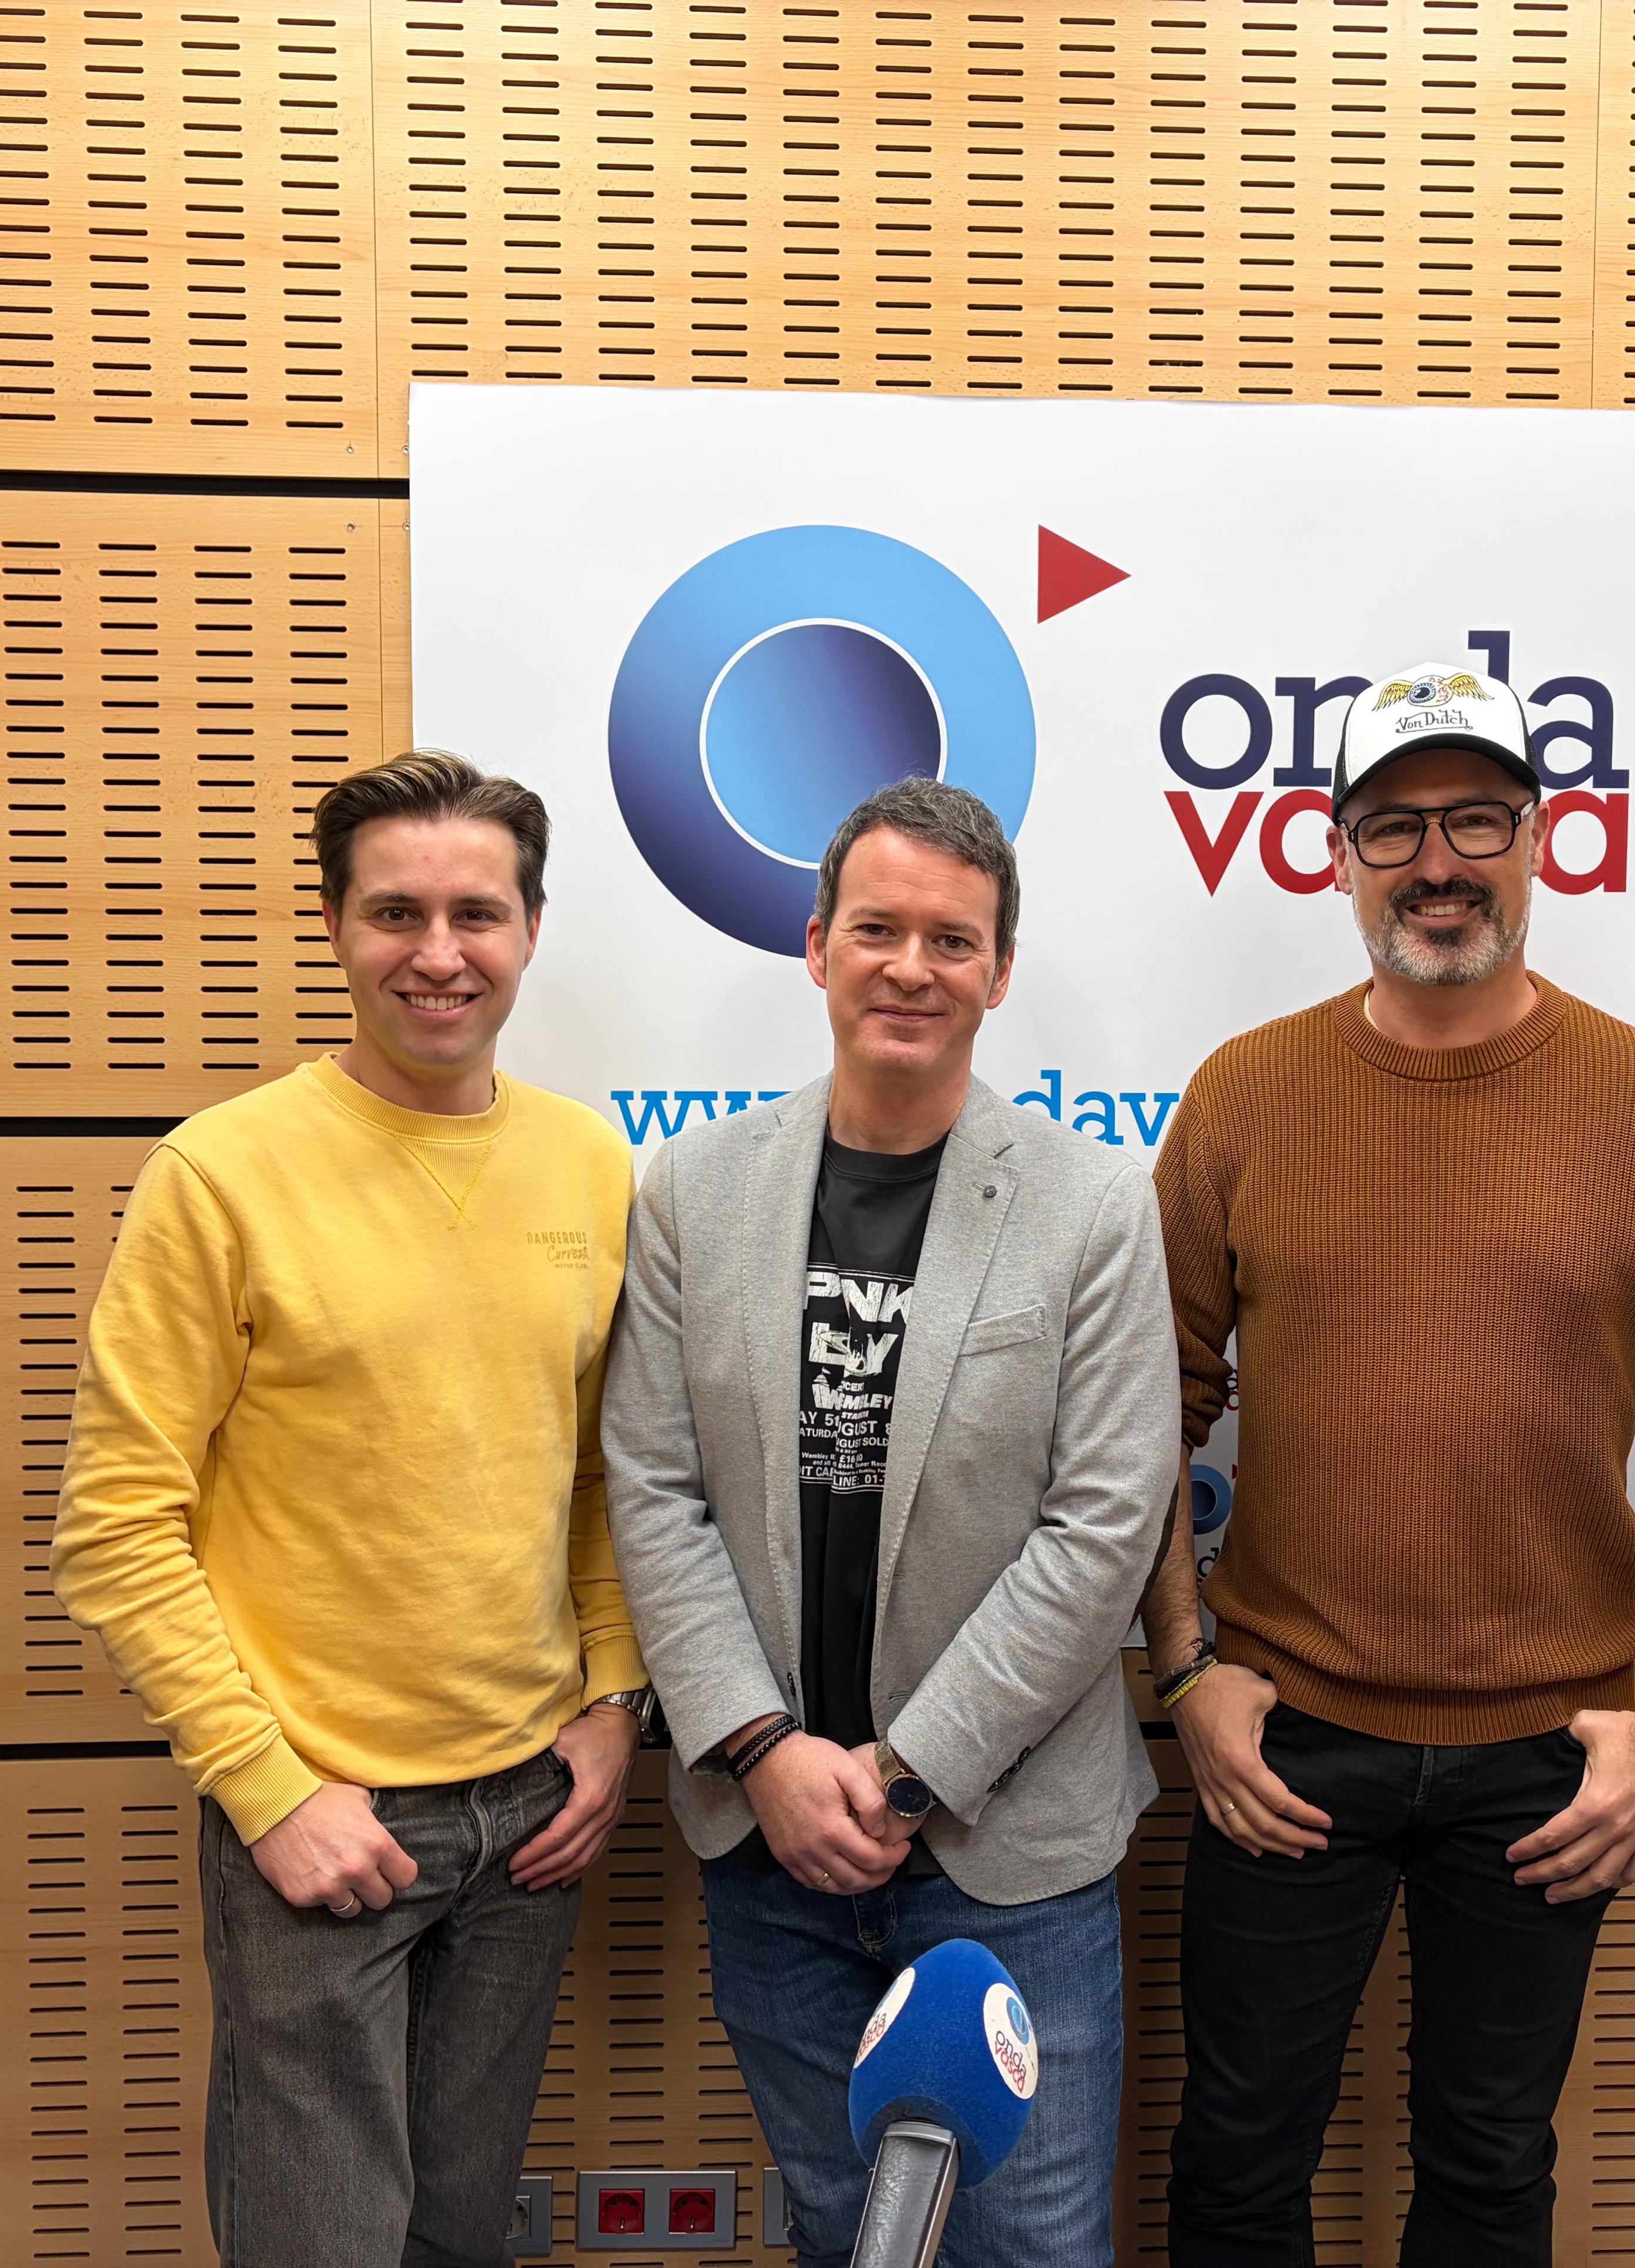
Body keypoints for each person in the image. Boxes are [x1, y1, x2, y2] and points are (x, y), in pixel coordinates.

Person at [1142, 664, 1635, 2268]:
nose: (1436, 863)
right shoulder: (1246, 1091)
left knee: (1490, 2167)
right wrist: (1184, 1672)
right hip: (1286, 1740)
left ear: (1543, 837)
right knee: (1235, 2162)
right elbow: (1144, 1406)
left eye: (1475, 820)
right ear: (1335, 855)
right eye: (1393, 827)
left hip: (1547, 1759)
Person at [52, 750, 654, 2268]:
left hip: (531, 1814)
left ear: (530, 930)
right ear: (334, 927)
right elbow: (116, 1525)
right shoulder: (220, 1176)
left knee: (459, 2237)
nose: (437, 953)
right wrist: (266, 1789)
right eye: (396, 913)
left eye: (476, 913)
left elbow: (598, 1473)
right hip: (322, 1818)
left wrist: (612, 1705)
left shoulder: (590, 1162)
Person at [602, 777, 1181, 2268]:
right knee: (840, 2235)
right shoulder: (693, 1192)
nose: (910, 968)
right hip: (772, 1847)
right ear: (815, 946)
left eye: (951, 940)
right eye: (876, 930)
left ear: (999, 971)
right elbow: (652, 1487)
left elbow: (1106, 1523)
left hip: (1010, 1851)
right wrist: (762, 1752)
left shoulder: (1092, 1206)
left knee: (1034, 2246)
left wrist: (907, 1773)